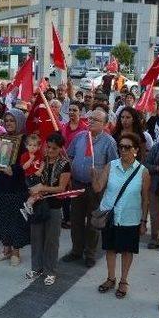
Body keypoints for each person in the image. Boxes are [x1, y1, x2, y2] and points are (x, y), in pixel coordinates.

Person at [93, 133, 150, 298]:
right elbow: (98, 188)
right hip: (110, 216)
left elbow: (145, 199)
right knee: (110, 248)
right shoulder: (111, 166)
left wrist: (143, 221)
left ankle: (124, 281)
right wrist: (93, 176)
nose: (123, 150)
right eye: (121, 146)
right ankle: (111, 278)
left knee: (126, 250)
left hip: (130, 217)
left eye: (127, 147)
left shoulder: (143, 172)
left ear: (136, 150)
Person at [63, 110, 118, 267]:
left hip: (95, 188)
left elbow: (112, 165)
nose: (91, 121)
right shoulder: (80, 136)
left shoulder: (109, 142)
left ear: (105, 124)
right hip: (77, 184)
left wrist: (102, 182)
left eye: (96, 120)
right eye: (90, 118)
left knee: (93, 222)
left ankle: (90, 254)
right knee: (76, 219)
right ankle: (76, 251)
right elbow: (70, 156)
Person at [0, 109, 30, 267]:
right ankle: (6, 249)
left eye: (12, 120)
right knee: (2, 217)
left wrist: (15, 169)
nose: (9, 123)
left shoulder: (25, 142)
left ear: (19, 122)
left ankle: (16, 251)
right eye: (7, 120)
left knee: (15, 220)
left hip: (16, 187)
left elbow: (28, 164)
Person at [26, 132, 71, 286]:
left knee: (51, 240)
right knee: (36, 237)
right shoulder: (40, 160)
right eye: (48, 147)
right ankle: (36, 268)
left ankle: (50, 271)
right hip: (38, 204)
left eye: (54, 148)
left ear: (60, 149)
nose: (50, 151)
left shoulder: (64, 164)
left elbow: (61, 188)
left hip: (54, 206)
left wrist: (42, 187)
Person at [144, 139, 159, 249]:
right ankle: (154, 238)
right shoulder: (157, 147)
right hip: (156, 186)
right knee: (155, 214)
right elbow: (146, 165)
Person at [19, 134, 44, 219]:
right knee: (38, 192)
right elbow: (24, 167)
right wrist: (30, 159)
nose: (32, 147)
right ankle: (28, 204)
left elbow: (43, 163)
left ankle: (26, 208)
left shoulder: (39, 154)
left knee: (40, 192)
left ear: (38, 147)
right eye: (30, 145)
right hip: (29, 177)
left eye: (34, 145)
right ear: (26, 146)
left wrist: (40, 170)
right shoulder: (24, 156)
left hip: (37, 176)